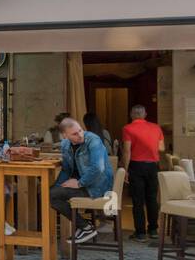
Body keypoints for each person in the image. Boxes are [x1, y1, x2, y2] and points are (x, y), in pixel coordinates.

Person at [51, 116, 113, 245]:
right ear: (64, 135)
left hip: (97, 187)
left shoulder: (93, 140)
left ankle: (85, 227)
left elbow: (97, 168)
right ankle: (84, 227)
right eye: (74, 133)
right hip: (84, 185)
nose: (80, 135)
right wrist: (59, 186)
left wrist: (79, 183)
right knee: (50, 193)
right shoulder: (65, 145)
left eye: (80, 130)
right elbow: (66, 170)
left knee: (51, 196)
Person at [120, 104, 165, 242]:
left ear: (131, 115)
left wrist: (125, 170)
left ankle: (140, 233)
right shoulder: (156, 127)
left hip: (136, 166)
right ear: (145, 114)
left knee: (138, 200)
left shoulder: (127, 128)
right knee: (152, 198)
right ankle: (153, 230)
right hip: (152, 166)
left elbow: (127, 151)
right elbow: (161, 148)